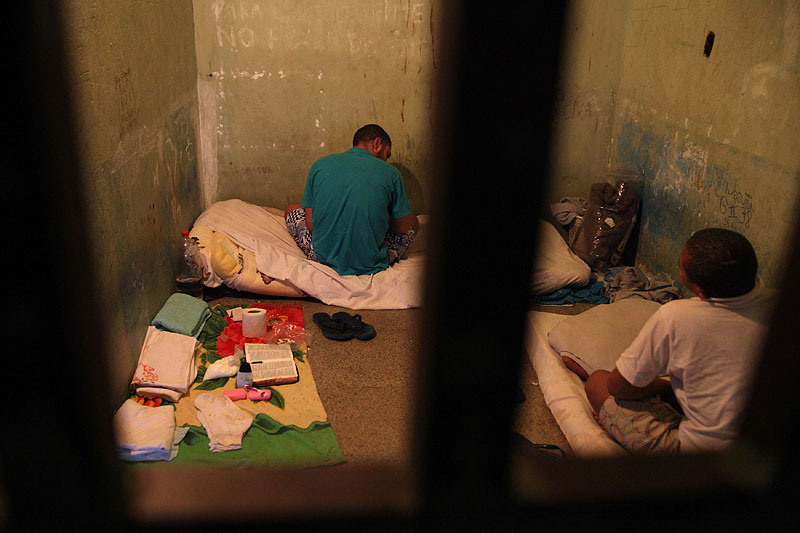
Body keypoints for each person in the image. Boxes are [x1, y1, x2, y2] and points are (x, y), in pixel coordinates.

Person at [584, 228, 775, 455]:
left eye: (681, 267)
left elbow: (618, 387)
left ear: (700, 290)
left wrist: (665, 386)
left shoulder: (676, 316)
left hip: (700, 455)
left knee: (598, 382)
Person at [283, 124, 419, 276]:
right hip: (370, 263)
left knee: (292, 208)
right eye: (387, 155)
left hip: (322, 259)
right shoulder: (392, 173)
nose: (385, 161)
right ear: (377, 144)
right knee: (413, 222)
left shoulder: (320, 165)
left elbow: (311, 224)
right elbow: (402, 228)